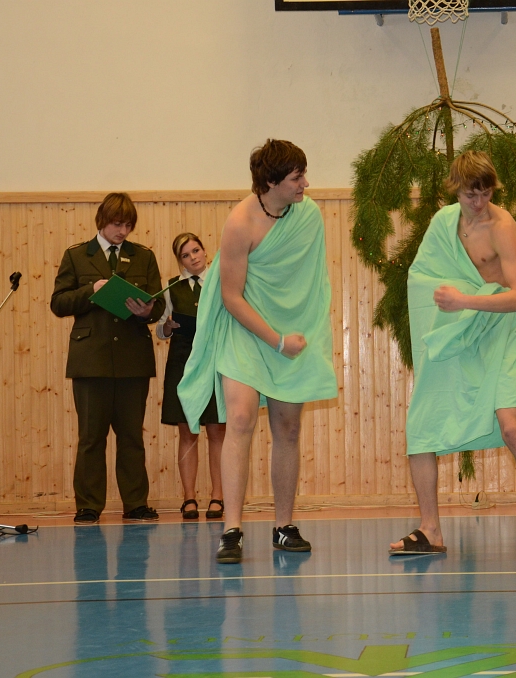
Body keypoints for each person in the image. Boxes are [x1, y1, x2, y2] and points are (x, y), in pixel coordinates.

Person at [388, 150, 516, 560]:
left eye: (486, 194)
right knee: (421, 427)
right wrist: (455, 311)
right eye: (471, 195)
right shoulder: (443, 223)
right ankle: (430, 530)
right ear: (456, 190)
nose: (479, 203)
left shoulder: (503, 227)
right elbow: (421, 281)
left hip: (497, 330)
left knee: (512, 429)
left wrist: (465, 300)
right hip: (458, 331)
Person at [177, 139, 337, 564]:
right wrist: (275, 339)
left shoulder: (309, 216)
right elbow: (231, 297)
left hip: (288, 331)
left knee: (288, 428)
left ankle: (284, 527)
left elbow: (308, 285)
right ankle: (231, 530)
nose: (306, 183)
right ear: (271, 182)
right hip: (247, 329)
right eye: (297, 177)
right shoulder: (240, 222)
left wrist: (295, 337)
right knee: (240, 419)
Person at [50, 192, 164, 524]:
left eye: (128, 226)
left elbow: (157, 304)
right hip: (91, 360)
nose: (122, 231)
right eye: (117, 224)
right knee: (91, 438)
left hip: (132, 359)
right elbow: (59, 303)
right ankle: (88, 505)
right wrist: (92, 290)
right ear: (102, 220)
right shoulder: (76, 256)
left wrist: (147, 312)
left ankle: (136, 503)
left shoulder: (143, 257)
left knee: (132, 436)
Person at [155, 233, 226, 520]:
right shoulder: (171, 287)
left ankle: (218, 496)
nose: (193, 257)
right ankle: (189, 499)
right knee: (187, 431)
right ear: (180, 261)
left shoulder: (221, 281)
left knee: (217, 430)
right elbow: (160, 329)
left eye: (196, 250)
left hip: (214, 361)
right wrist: (168, 327)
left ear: (205, 251)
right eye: (186, 255)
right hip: (182, 362)